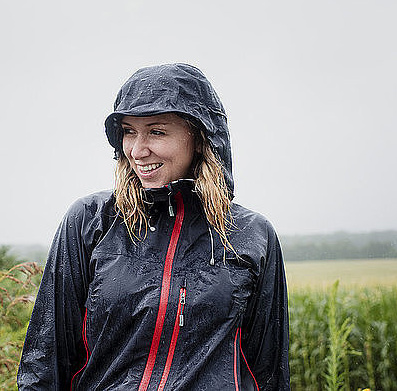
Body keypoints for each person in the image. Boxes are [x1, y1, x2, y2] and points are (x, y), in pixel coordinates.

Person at [17, 63, 290, 390]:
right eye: (129, 131)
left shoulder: (251, 235)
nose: (137, 149)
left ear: (201, 138)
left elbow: (268, 371)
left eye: (156, 131)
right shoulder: (91, 222)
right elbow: (46, 359)